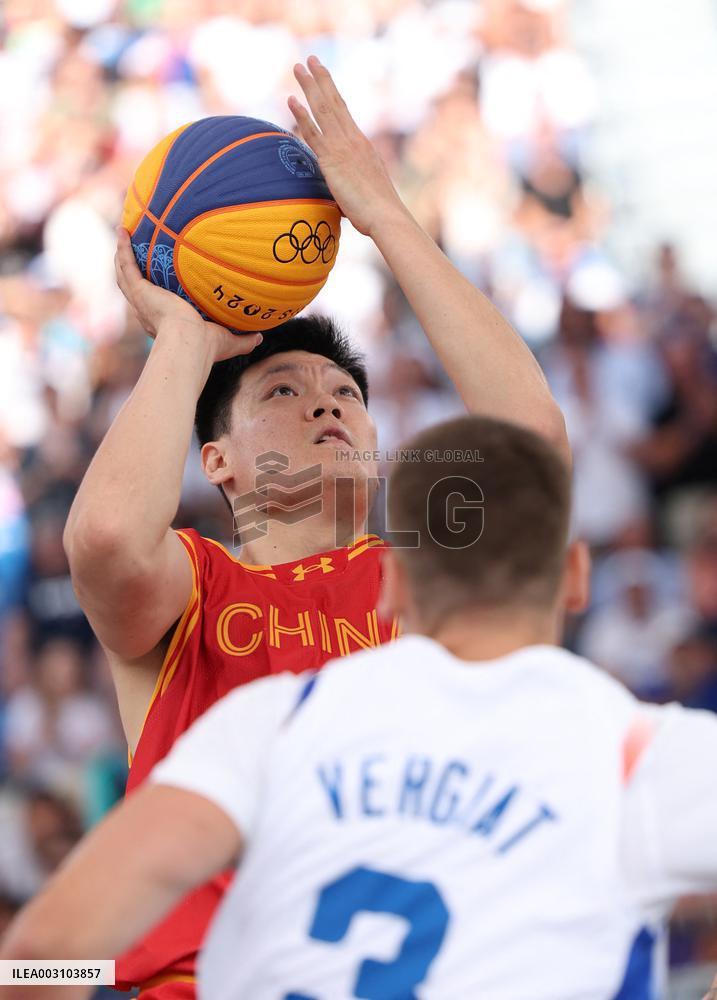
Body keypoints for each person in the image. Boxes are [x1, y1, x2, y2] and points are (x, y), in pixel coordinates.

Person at [60, 57, 568, 998]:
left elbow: (532, 443)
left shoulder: (432, 583)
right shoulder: (195, 586)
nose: (326, 406)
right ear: (215, 459)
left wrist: (385, 216)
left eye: (345, 395)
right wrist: (183, 337)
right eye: (284, 392)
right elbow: (103, 543)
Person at [6, 414, 717, 1000]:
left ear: (393, 581)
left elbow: (40, 959)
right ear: (574, 578)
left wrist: (94, 981)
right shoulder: (637, 753)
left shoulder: (275, 723)